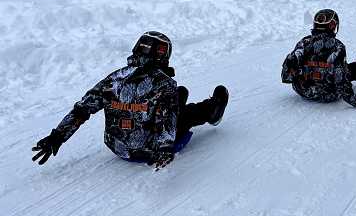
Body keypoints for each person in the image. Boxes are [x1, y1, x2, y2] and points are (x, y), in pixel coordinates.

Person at [31, 31, 229, 170]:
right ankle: (213, 110)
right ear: (163, 55)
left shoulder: (114, 78)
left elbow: (82, 110)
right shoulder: (164, 83)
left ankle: (179, 100)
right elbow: (166, 120)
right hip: (149, 150)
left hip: (117, 148)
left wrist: (57, 137)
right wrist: (164, 149)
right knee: (184, 113)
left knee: (177, 94)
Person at [282, 9, 356, 108]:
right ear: (333, 26)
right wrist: (353, 100)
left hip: (303, 91)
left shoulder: (304, 42)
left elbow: (287, 74)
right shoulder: (338, 46)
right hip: (329, 94)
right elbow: (341, 78)